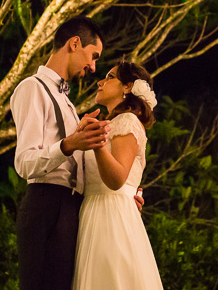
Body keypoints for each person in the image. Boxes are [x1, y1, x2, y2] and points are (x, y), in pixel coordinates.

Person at [11, 16, 113, 290]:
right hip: (45, 204)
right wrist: (68, 144)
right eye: (93, 57)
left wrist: (121, 195)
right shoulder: (32, 88)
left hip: (70, 208)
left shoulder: (67, 102)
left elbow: (78, 167)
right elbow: (24, 162)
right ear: (74, 43)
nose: (93, 67)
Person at [74, 60, 163, 289]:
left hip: (110, 214)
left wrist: (97, 143)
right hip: (93, 209)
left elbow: (117, 179)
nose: (100, 82)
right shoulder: (109, 123)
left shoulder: (127, 121)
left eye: (110, 77)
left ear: (127, 87)